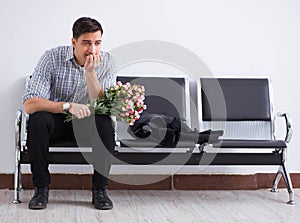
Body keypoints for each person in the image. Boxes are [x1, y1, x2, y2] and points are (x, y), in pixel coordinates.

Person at [22, 17, 116, 210]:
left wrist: (91, 73)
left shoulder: (107, 62)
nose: (92, 50)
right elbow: (30, 105)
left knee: (105, 123)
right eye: (86, 43)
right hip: (56, 121)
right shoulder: (51, 58)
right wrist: (67, 106)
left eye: (97, 43)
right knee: (38, 120)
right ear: (73, 42)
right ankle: (41, 189)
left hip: (87, 124)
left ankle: (100, 190)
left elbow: (104, 106)